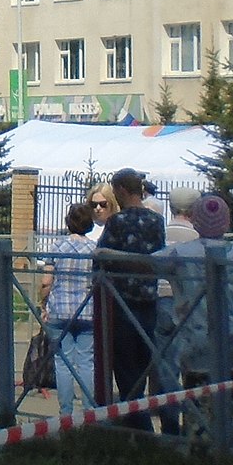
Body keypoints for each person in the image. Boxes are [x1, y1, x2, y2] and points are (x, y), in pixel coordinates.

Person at [155, 194, 233, 411]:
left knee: (199, 419)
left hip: (196, 348)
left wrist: (107, 255)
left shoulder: (180, 254)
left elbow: (143, 264)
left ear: (195, 221)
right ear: (227, 221)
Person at [93, 169, 168, 425]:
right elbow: (158, 257)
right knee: (143, 365)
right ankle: (138, 422)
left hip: (122, 302)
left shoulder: (118, 222)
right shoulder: (157, 221)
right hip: (150, 300)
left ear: (122, 190)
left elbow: (101, 258)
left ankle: (138, 427)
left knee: (125, 370)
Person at [35, 199, 98, 417]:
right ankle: (89, 412)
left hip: (59, 310)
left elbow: (46, 281)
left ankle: (66, 413)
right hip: (87, 310)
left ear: (68, 222)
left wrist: (43, 303)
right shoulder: (95, 249)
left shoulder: (57, 246)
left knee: (63, 362)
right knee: (87, 362)